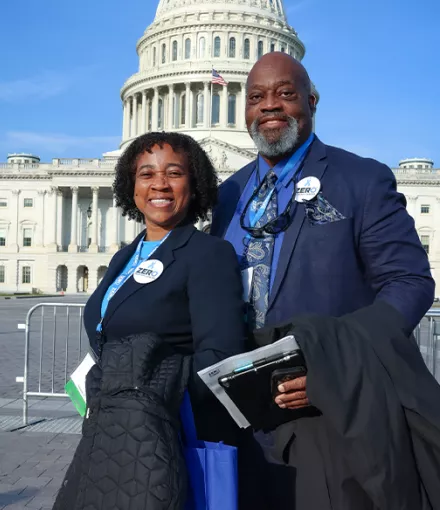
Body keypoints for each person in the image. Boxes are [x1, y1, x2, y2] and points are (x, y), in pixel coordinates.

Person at [210, 52, 435, 507]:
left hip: (329, 413)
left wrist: (334, 368)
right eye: (256, 97)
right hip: (242, 416)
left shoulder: (360, 179)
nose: (269, 106)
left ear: (311, 101)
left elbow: (409, 283)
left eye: (285, 94)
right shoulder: (227, 194)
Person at [53, 132, 246, 510]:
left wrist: (147, 389)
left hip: (163, 436)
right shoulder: (124, 258)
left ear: (195, 183)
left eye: (174, 173)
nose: (159, 184)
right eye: (146, 174)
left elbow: (221, 357)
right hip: (108, 433)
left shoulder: (208, 254)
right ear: (131, 185)